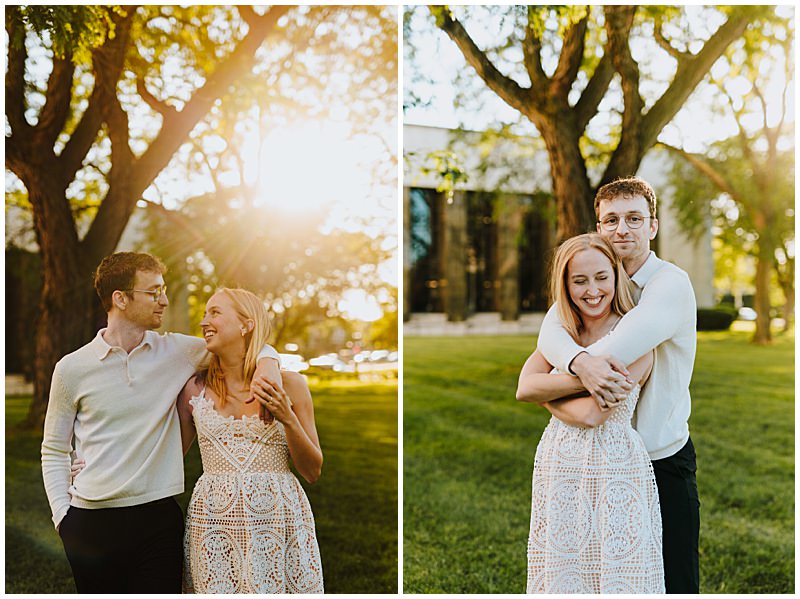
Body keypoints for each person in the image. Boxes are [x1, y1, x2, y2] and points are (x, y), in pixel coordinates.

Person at [41, 252, 282, 593]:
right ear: (120, 299)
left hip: (158, 520)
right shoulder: (71, 368)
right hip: (89, 522)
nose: (164, 301)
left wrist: (270, 361)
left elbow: (243, 345)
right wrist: (62, 518)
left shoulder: (177, 352)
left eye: (164, 290)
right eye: (153, 292)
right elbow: (53, 449)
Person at [535, 177, 699, 593]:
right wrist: (578, 362)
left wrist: (548, 387)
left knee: (670, 581)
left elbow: (612, 355)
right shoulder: (597, 280)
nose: (621, 229)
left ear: (653, 226)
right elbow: (548, 336)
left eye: (633, 218)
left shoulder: (669, 285)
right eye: (611, 220)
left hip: (661, 458)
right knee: (600, 578)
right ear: (598, 227)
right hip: (604, 462)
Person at [518, 233, 663, 593]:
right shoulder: (563, 332)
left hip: (614, 465)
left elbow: (590, 416)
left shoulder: (635, 335)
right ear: (565, 285)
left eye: (601, 277)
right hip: (559, 461)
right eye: (579, 280)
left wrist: (547, 392)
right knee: (567, 568)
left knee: (617, 569)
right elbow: (524, 387)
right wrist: (585, 373)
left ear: (616, 275)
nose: (592, 290)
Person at [177, 287, 324, 593]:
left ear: (246, 324)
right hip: (213, 524)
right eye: (205, 313)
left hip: (278, 519)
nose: (204, 321)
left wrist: (287, 416)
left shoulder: (292, 385)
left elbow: (312, 471)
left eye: (215, 312)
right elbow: (169, 457)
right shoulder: (194, 389)